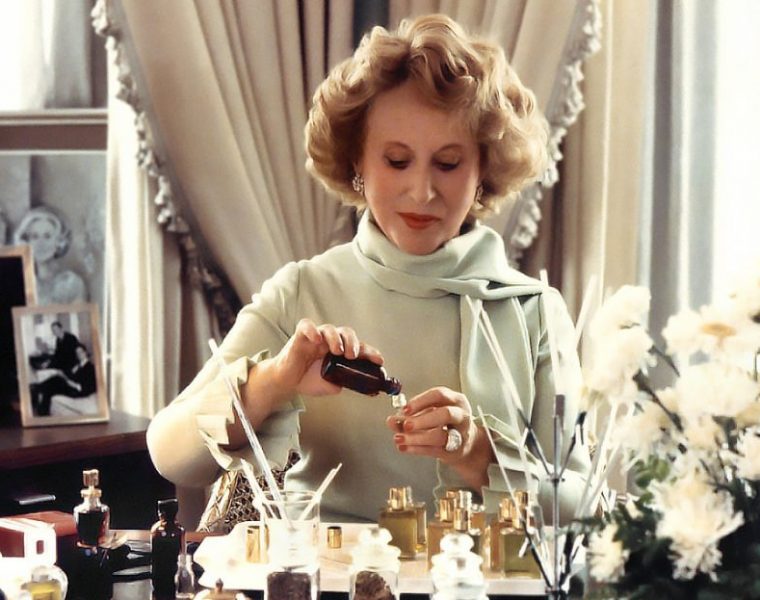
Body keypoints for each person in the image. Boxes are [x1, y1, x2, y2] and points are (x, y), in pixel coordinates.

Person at [147, 14, 589, 523]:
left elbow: (581, 503)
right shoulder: (303, 291)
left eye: (448, 164)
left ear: (483, 171)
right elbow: (170, 454)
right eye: (397, 161)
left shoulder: (534, 310)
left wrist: (477, 453)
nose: (422, 192)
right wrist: (274, 380)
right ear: (357, 163)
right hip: (327, 569)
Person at [13, 206, 87, 305]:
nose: (40, 243)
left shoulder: (72, 283)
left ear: (59, 242)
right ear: (27, 242)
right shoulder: (20, 284)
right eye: (35, 237)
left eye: (47, 236)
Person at [30, 344, 96, 416]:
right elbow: (70, 375)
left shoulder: (90, 367)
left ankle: (37, 389)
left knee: (57, 380)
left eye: (80, 352)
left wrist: (74, 385)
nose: (78, 355)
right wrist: (63, 375)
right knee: (52, 386)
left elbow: (90, 386)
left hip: (76, 391)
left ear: (85, 352)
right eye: (77, 353)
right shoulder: (76, 365)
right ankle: (43, 410)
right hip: (69, 385)